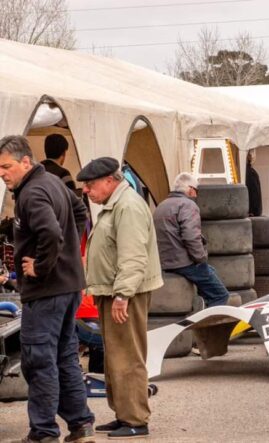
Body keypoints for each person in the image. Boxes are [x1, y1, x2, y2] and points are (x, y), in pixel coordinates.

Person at [0, 135, 94, 443]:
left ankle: (43, 432)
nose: (2, 173)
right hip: (67, 287)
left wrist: (41, 265)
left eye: (6, 167)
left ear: (25, 162)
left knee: (38, 359)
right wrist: (67, 256)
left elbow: (51, 234)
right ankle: (81, 425)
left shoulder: (32, 193)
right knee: (65, 355)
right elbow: (81, 213)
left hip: (47, 290)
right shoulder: (54, 183)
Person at [79, 157, 163, 439]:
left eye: (90, 185)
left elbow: (133, 255)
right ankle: (124, 414)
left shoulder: (127, 207)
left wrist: (122, 295)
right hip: (113, 290)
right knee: (116, 355)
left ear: (109, 181)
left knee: (127, 355)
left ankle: (136, 419)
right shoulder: (117, 204)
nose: (87, 191)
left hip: (125, 293)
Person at [153, 172, 230, 307]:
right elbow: (191, 236)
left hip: (165, 264)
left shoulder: (161, 206)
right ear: (190, 189)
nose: (196, 195)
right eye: (196, 191)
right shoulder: (188, 205)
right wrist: (201, 258)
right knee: (220, 295)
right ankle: (208, 326)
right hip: (184, 264)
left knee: (211, 271)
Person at [246, 150, 262, 216]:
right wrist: (256, 211)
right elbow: (255, 193)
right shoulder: (251, 173)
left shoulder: (249, 172)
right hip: (251, 211)